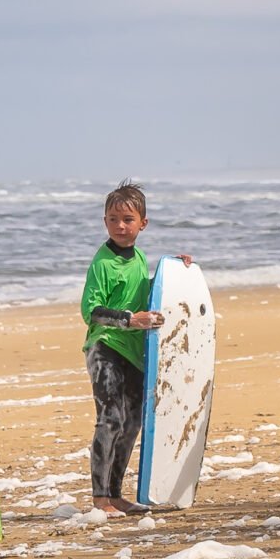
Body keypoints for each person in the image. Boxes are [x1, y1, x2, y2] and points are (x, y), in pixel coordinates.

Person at [80, 184, 193, 514]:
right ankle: (100, 498)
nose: (120, 226)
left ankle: (115, 494)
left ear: (143, 223)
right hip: (105, 348)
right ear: (104, 221)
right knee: (110, 420)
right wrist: (130, 320)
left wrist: (178, 267)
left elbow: (150, 293)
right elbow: (93, 312)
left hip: (134, 351)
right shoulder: (103, 264)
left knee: (131, 425)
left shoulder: (139, 257)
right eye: (113, 219)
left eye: (128, 219)